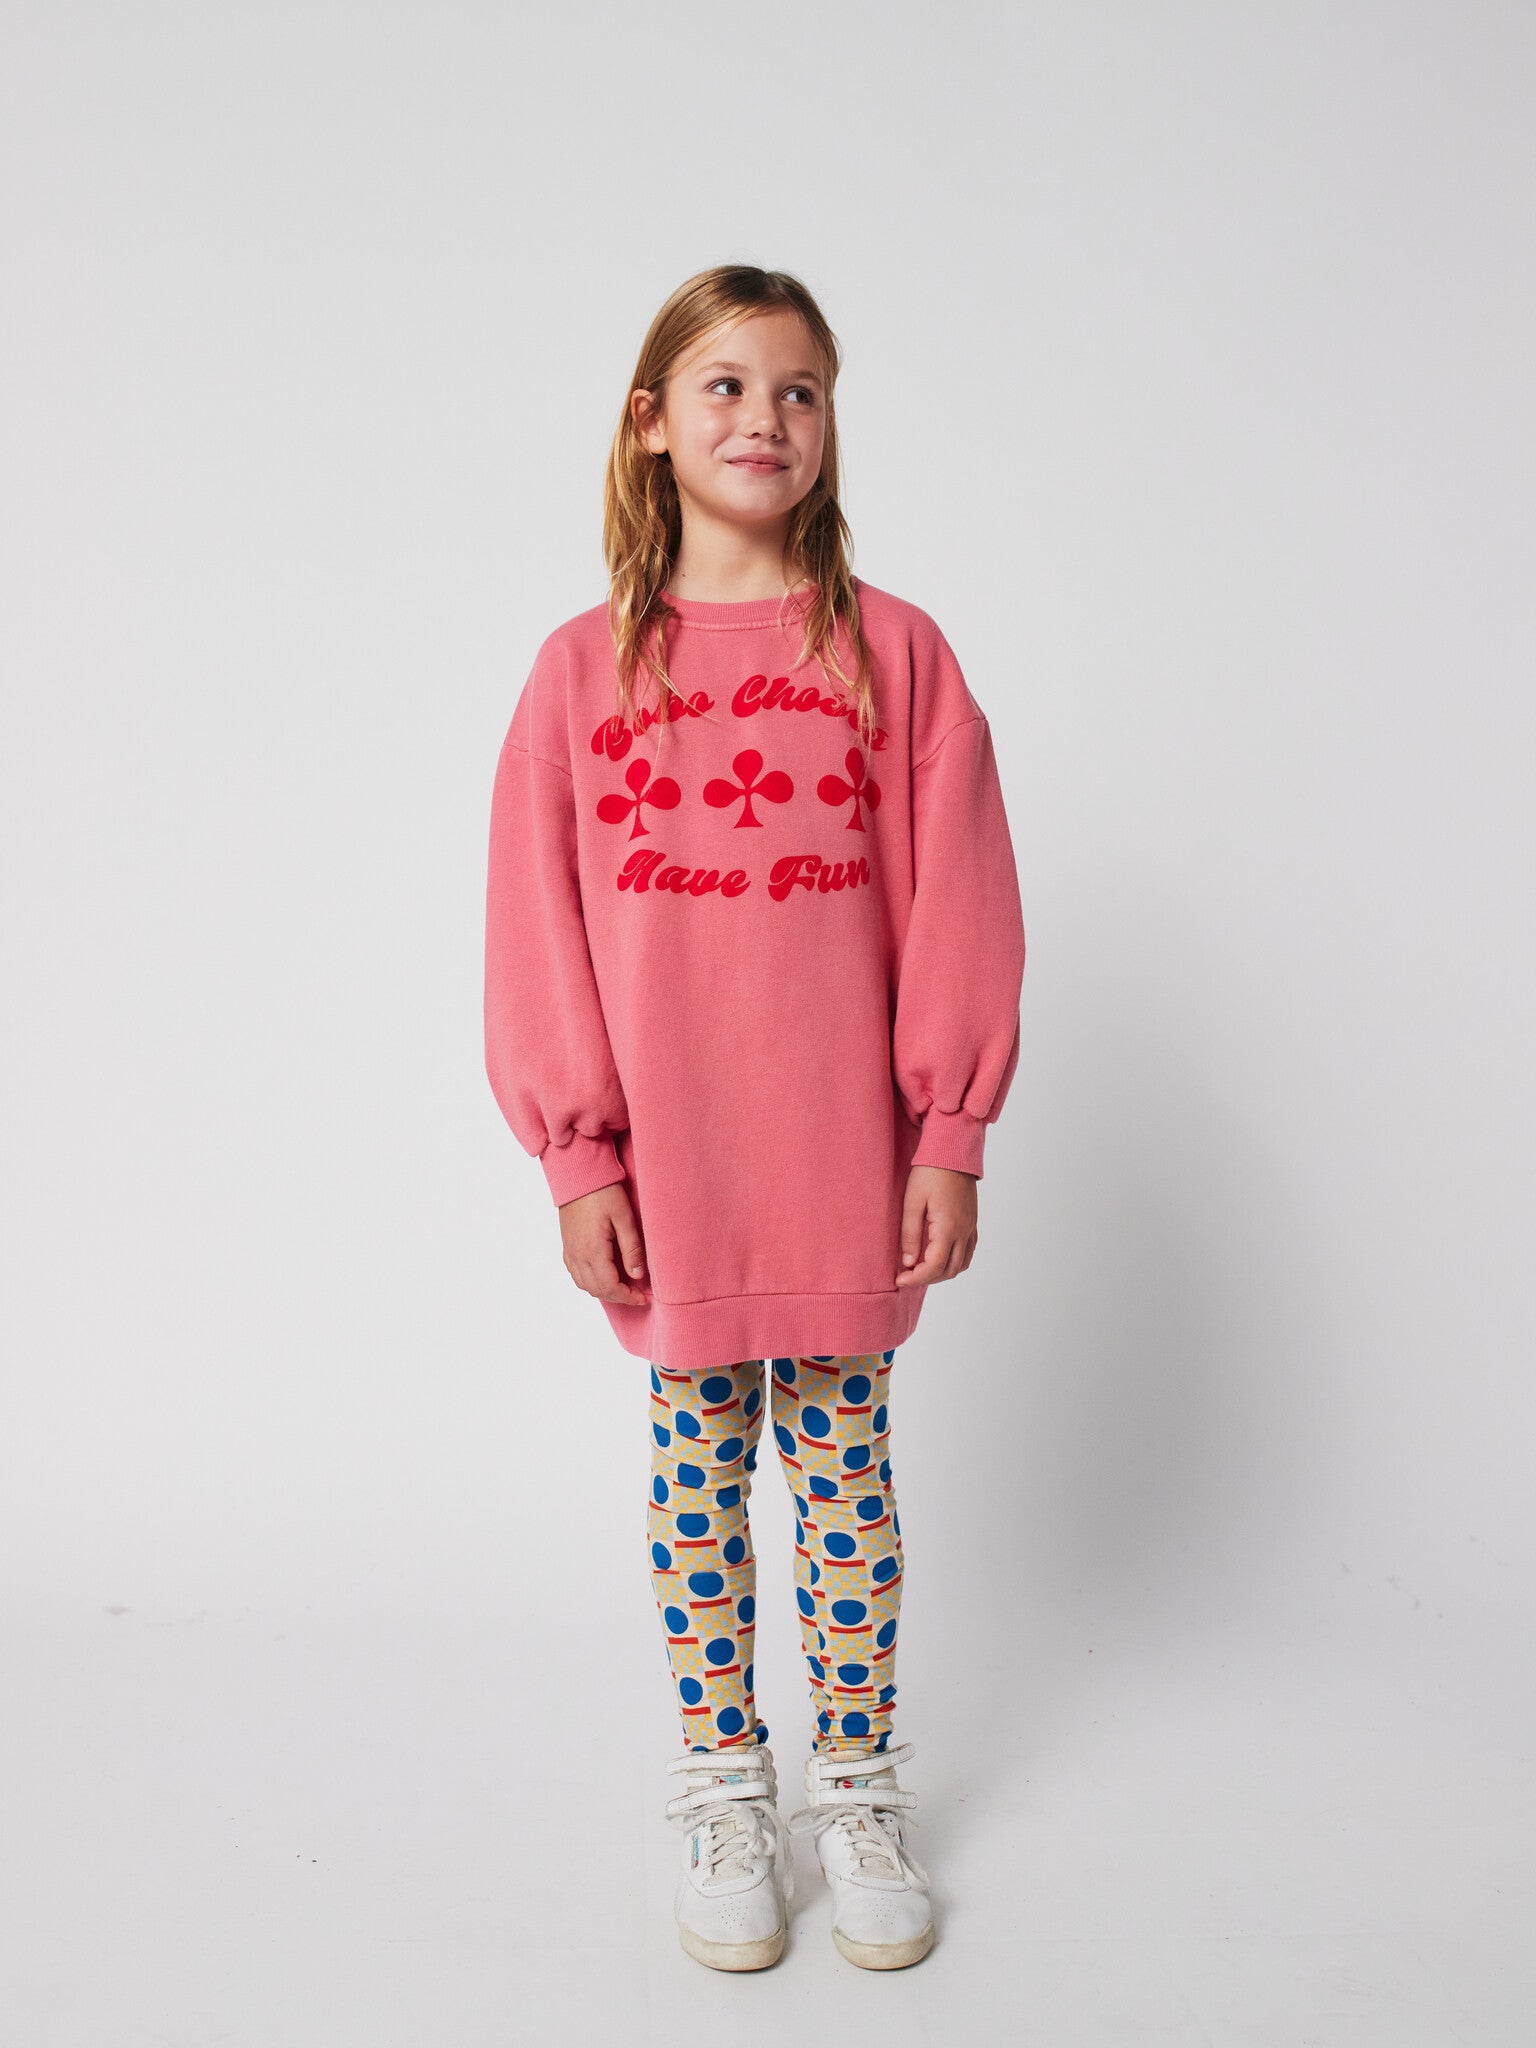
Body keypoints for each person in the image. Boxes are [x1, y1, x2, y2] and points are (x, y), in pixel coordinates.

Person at [483, 265, 1025, 1973]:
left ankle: (854, 1784)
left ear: (830, 425)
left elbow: (961, 905)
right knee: (699, 1487)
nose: (765, 419)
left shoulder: (896, 654)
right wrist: (578, 1154)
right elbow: (536, 931)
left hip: (844, 1159)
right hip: (675, 1169)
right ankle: (728, 1785)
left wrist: (948, 1133)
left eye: (800, 391)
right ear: (652, 421)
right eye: (725, 386)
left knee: (848, 1483)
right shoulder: (580, 671)